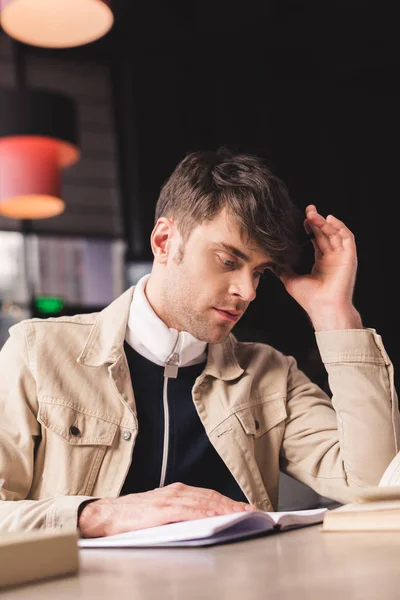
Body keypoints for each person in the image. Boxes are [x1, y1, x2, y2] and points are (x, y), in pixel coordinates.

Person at [0, 148, 399, 537]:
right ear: (164, 241)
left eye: (259, 272)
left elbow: (376, 487)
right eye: (228, 261)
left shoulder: (272, 375)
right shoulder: (37, 353)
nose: (247, 291)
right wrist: (96, 515)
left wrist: (336, 315)